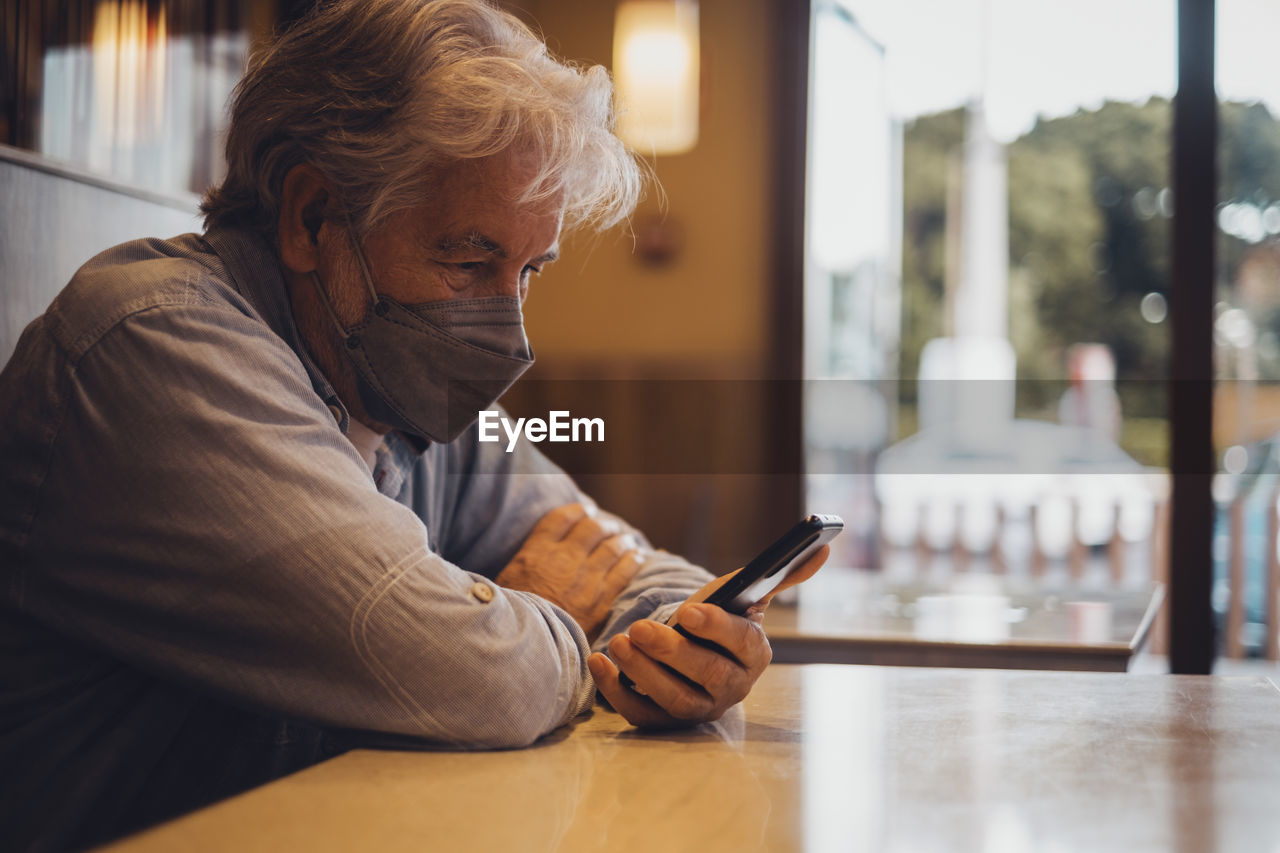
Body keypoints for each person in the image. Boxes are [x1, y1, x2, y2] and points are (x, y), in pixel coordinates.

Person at [0, 1, 826, 849]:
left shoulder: (397, 375)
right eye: (467, 261)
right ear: (311, 216)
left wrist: (678, 644)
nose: (509, 329)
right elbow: (482, 682)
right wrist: (551, 622)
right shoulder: (152, 347)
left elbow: (628, 567)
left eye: (528, 270)